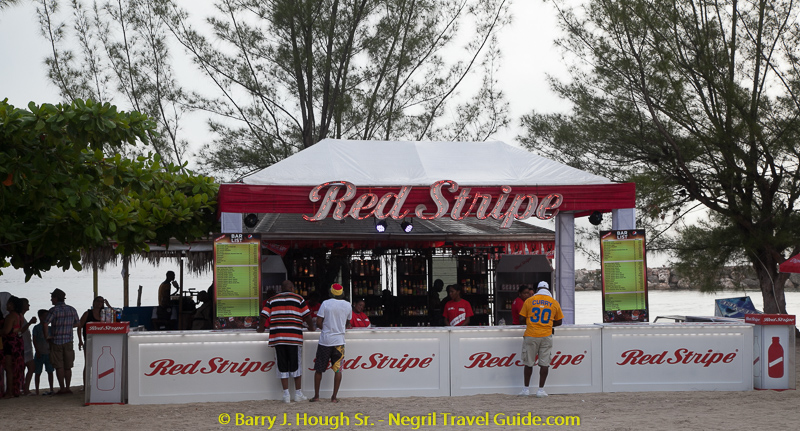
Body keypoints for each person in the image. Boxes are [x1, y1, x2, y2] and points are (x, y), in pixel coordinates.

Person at [257, 280, 313, 403]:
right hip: (294, 337)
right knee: (296, 366)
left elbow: (263, 316)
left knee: (281, 366)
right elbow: (307, 316)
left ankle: (286, 395)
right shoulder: (299, 299)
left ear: (281, 289)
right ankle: (298, 393)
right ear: (292, 288)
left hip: (278, 338)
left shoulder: (272, 300)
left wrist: (260, 329)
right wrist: (312, 328)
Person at [519, 281, 563, 398]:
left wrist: (532, 322)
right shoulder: (554, 302)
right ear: (548, 290)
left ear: (537, 289)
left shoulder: (529, 301)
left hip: (531, 335)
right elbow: (559, 321)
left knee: (528, 363)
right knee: (544, 364)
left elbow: (521, 319)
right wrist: (548, 324)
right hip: (546, 335)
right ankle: (540, 390)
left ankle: (526, 389)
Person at [311, 283, 352, 403]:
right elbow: (348, 322)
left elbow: (319, 321)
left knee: (319, 369)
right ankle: (334, 397)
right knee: (338, 370)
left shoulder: (325, 303)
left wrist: (325, 329)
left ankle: (316, 396)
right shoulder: (347, 305)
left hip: (325, 341)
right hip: (339, 342)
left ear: (331, 292)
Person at [43, 288, 80, 395]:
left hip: (56, 341)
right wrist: (68, 326)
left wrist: (47, 336)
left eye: (52, 298)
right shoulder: (72, 309)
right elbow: (78, 324)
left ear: (56, 298)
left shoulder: (54, 310)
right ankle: (68, 387)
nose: (51, 300)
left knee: (59, 366)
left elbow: (45, 323)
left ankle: (62, 388)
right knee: (68, 366)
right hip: (68, 341)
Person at [32, 309, 55, 396]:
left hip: (48, 353)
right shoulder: (36, 328)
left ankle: (51, 388)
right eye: (45, 316)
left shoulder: (50, 328)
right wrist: (37, 350)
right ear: (40, 317)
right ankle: (37, 390)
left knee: (50, 371)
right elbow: (34, 340)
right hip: (40, 353)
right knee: (37, 372)